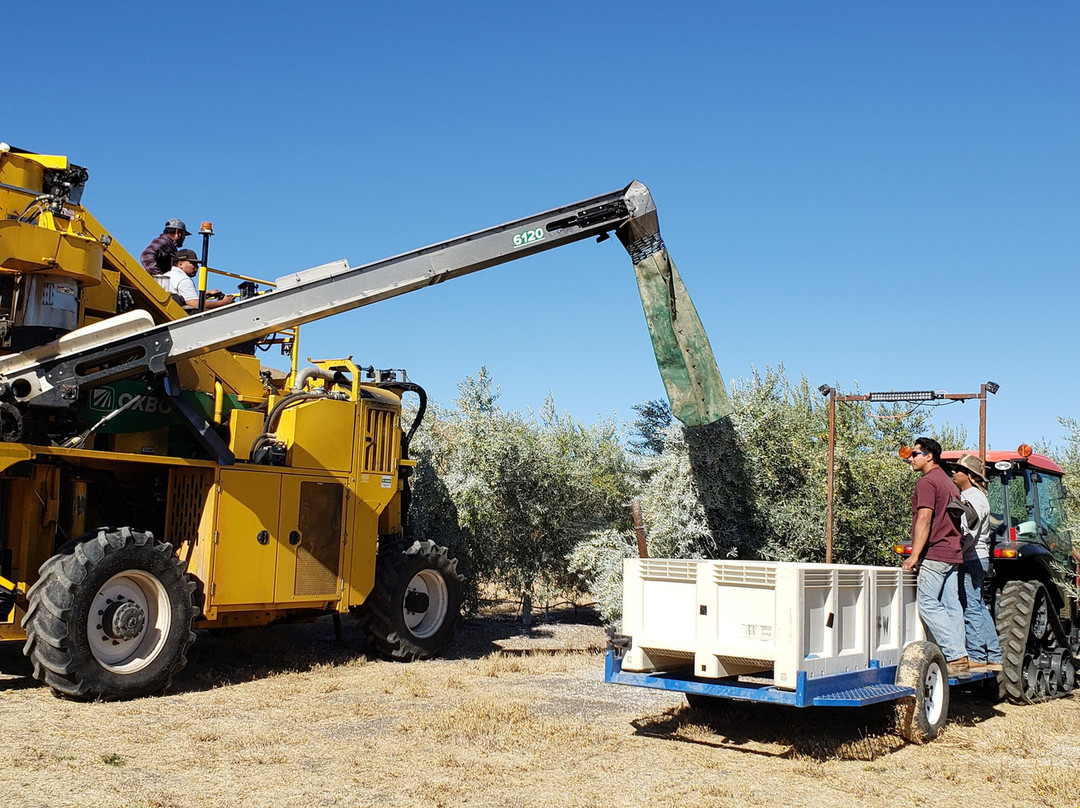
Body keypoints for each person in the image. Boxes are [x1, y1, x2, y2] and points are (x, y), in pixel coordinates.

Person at [903, 437, 969, 674]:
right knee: (952, 606)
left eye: (914, 454)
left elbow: (925, 518)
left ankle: (955, 654)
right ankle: (959, 658)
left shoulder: (927, 482)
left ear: (929, 456)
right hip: (953, 553)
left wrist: (914, 555)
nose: (910, 458)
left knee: (928, 603)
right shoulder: (950, 483)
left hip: (936, 553)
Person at [951, 454, 1003, 672]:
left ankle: (977, 656)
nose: (954, 472)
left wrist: (956, 553)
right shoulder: (977, 496)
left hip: (971, 558)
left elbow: (969, 533)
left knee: (971, 607)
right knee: (979, 606)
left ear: (970, 476)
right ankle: (994, 655)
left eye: (958, 470)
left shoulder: (972, 498)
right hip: (979, 557)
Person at [158, 249, 236, 310]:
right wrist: (223, 302)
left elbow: (185, 299)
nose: (197, 267)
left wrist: (204, 295)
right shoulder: (183, 279)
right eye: (193, 263)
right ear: (180, 264)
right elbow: (195, 304)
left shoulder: (167, 275)